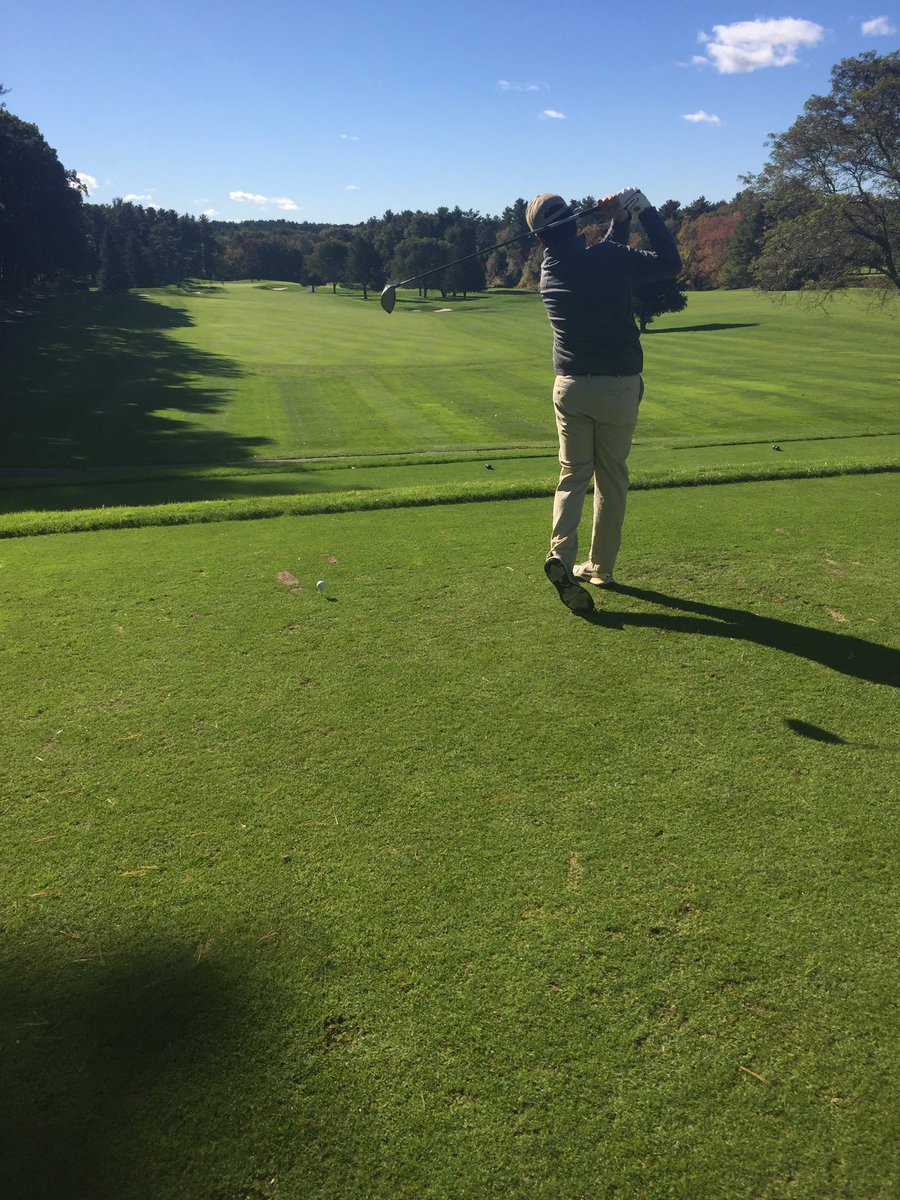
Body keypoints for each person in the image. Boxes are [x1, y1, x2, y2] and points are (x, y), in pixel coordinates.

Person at [527, 190, 682, 613]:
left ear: (540, 239)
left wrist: (619, 222)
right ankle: (600, 567)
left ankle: (560, 556)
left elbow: (601, 259)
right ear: (576, 223)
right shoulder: (607, 259)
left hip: (571, 387)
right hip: (617, 387)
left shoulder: (549, 271)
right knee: (611, 478)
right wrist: (642, 210)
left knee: (573, 475)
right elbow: (669, 263)